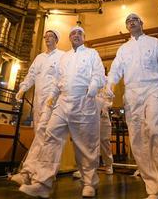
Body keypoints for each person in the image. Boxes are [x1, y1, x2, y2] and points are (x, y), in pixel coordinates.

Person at [19, 26, 106, 198]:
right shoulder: (65, 57)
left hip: (84, 101)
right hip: (63, 101)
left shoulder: (91, 54)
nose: (76, 35)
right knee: (50, 137)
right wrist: (52, 96)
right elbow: (58, 80)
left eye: (79, 33)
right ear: (69, 38)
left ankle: (89, 182)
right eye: (73, 33)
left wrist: (94, 87)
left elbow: (99, 74)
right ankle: (42, 183)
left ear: (84, 37)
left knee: (85, 144)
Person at [106, 13, 158, 199]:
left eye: (135, 20)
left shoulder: (154, 43)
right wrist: (109, 85)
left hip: (153, 89)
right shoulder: (123, 49)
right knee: (138, 141)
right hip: (132, 94)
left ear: (142, 23)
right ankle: (153, 188)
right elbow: (115, 70)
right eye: (128, 21)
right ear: (127, 27)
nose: (131, 23)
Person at [10, 29, 64, 186]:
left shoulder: (62, 56)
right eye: (46, 37)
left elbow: (63, 77)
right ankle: (43, 173)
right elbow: (31, 75)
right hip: (38, 101)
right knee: (41, 135)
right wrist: (22, 88)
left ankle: (28, 172)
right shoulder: (39, 58)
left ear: (56, 39)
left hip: (52, 102)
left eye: (51, 37)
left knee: (43, 134)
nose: (47, 39)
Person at [72, 89, 114, 179]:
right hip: (88, 115)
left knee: (104, 141)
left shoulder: (106, 82)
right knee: (87, 143)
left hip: (103, 117)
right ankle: (85, 169)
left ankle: (108, 164)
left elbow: (109, 100)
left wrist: (102, 107)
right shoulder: (86, 80)